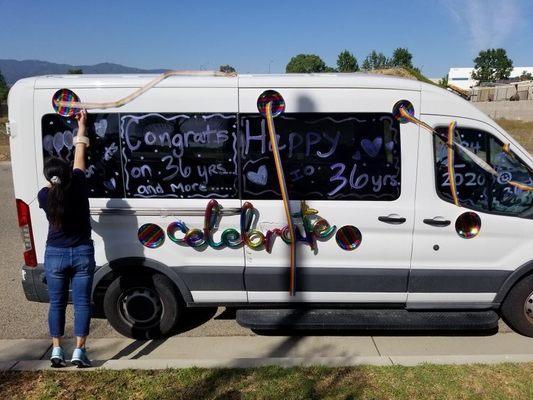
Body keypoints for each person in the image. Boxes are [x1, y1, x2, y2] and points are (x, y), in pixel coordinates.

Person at [38, 109, 94, 368]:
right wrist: (81, 126)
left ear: (49, 178)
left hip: (55, 255)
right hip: (82, 252)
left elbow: (56, 184)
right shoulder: (80, 184)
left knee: (56, 304)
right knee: (82, 303)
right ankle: (80, 351)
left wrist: (53, 181)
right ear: (69, 173)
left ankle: (58, 350)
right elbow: (80, 153)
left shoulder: (44, 196)